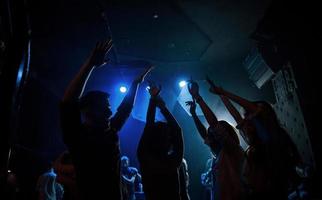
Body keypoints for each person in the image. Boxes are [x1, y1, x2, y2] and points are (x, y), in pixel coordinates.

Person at [60, 38, 153, 200]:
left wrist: (136, 83)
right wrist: (89, 65)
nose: (110, 111)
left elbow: (125, 109)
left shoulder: (110, 130)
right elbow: (68, 102)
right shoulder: (77, 135)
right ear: (89, 111)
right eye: (105, 107)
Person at [206, 77, 301, 199]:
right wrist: (221, 95)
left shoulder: (271, 139)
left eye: (251, 117)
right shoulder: (256, 144)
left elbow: (256, 111)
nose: (247, 120)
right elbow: (236, 116)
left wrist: (224, 93)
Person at [186, 80, 244, 200]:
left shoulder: (232, 150)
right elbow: (205, 135)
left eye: (214, 134)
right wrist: (194, 115)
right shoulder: (217, 157)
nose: (210, 137)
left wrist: (198, 97)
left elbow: (213, 124)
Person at [137, 84, 184, 200]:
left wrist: (153, 100)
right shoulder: (173, 161)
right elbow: (177, 131)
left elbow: (149, 125)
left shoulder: (144, 157)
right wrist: (163, 108)